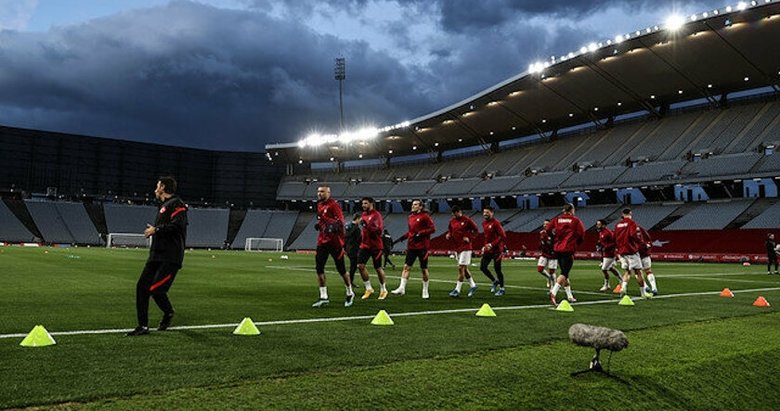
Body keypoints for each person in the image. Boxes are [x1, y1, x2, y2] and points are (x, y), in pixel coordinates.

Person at [127, 176, 188, 336]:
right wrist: (156, 229)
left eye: (157, 185)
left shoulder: (177, 204)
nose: (155, 188)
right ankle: (142, 326)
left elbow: (177, 225)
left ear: (163, 187)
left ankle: (168, 312)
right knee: (142, 287)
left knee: (156, 289)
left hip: (170, 256)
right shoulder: (163, 206)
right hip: (156, 255)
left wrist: (156, 229)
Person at [311, 186, 354, 308]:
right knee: (319, 269)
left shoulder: (334, 205)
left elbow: (340, 222)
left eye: (322, 191)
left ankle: (350, 292)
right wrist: (319, 225)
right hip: (322, 242)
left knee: (341, 270)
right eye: (318, 191)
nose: (319, 193)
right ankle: (323, 296)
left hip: (335, 242)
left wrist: (331, 225)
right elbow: (322, 220)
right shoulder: (319, 205)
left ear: (328, 193)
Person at [391, 199, 436, 298]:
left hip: (422, 247)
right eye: (412, 204)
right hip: (411, 246)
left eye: (415, 204)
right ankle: (401, 288)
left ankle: (425, 290)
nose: (413, 206)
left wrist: (421, 233)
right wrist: (402, 238)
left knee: (424, 269)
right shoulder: (410, 217)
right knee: (406, 267)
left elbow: (432, 229)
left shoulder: (425, 217)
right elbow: (411, 232)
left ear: (420, 207)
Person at [545, 203, 585, 306]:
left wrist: (553, 237)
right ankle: (553, 292)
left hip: (558, 248)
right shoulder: (575, 220)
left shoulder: (557, 219)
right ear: (572, 210)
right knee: (564, 273)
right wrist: (576, 243)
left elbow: (548, 229)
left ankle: (570, 296)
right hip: (568, 248)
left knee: (565, 273)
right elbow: (581, 234)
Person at [614, 208, 649, 299]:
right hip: (631, 250)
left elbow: (615, 237)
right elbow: (634, 235)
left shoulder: (618, 225)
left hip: (621, 252)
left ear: (622, 214)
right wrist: (642, 244)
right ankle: (643, 293)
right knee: (638, 272)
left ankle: (623, 288)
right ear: (630, 214)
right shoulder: (632, 223)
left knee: (628, 271)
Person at [357, 197, 388, 299]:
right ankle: (368, 288)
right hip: (365, 245)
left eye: (365, 203)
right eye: (362, 203)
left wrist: (367, 226)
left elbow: (379, 231)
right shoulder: (363, 215)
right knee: (360, 266)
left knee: (378, 268)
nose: (363, 205)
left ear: (371, 204)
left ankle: (383, 289)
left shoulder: (376, 215)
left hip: (375, 246)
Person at [446, 206, 479, 297]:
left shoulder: (467, 220)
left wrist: (470, 238)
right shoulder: (452, 221)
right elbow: (450, 230)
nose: (453, 215)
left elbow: (476, 230)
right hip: (457, 248)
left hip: (466, 247)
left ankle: (457, 290)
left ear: (459, 212)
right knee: (464, 268)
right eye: (452, 213)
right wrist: (449, 234)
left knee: (461, 268)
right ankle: (473, 285)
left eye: (454, 213)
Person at [480, 207, 507, 296]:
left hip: (497, 250)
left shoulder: (496, 223)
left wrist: (492, 244)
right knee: (483, 267)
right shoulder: (484, 223)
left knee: (497, 269)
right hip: (488, 250)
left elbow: (503, 236)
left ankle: (502, 289)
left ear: (492, 213)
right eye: (484, 212)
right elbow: (486, 237)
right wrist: (484, 246)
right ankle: (495, 281)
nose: (485, 214)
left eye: (487, 212)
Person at [595, 219, 622, 292]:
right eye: (597, 224)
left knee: (604, 269)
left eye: (599, 224)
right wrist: (599, 244)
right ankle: (621, 280)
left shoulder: (608, 233)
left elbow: (615, 242)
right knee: (610, 268)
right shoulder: (601, 232)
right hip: (605, 253)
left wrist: (605, 247)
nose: (597, 226)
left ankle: (606, 285)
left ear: (603, 225)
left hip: (610, 253)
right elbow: (602, 242)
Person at [637, 224, 658, 295]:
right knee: (648, 271)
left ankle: (645, 286)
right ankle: (654, 288)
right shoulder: (640, 228)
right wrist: (648, 246)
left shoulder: (628, 229)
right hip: (644, 253)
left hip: (636, 255)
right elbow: (648, 239)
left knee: (638, 272)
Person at [537, 219, 557, 292]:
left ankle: (553, 289)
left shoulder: (554, 233)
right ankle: (549, 278)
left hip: (553, 255)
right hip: (544, 254)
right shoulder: (542, 233)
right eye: (544, 224)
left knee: (552, 272)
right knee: (540, 269)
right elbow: (541, 243)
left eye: (547, 224)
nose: (545, 225)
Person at [345, 213, 362, 287]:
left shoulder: (348, 226)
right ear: (357, 219)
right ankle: (350, 282)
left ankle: (349, 281)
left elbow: (345, 237)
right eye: (360, 219)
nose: (360, 221)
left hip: (348, 248)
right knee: (353, 266)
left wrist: (345, 248)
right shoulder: (356, 228)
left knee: (353, 266)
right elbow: (359, 240)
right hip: (354, 249)